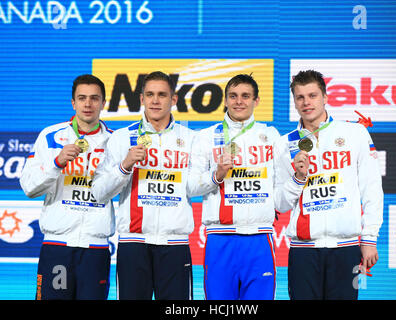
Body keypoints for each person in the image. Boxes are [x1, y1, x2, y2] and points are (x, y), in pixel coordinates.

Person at [274, 69, 384, 300]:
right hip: (304, 251)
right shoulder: (286, 144)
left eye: (313, 95)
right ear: (294, 102)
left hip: (346, 248)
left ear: (325, 97)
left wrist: (369, 238)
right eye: (300, 97)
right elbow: (281, 205)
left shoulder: (354, 133)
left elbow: (372, 188)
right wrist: (298, 178)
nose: (306, 102)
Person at [92, 71, 195, 300]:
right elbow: (99, 193)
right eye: (150, 94)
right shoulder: (121, 138)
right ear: (141, 99)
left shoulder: (191, 139)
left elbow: (197, 187)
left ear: (174, 99)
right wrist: (125, 165)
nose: (155, 100)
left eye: (162, 94)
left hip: (175, 243)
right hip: (133, 243)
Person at [19, 74, 115, 300]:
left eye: (94, 98)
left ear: (103, 103)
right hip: (57, 246)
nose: (88, 104)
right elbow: (29, 188)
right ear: (73, 103)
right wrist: (57, 163)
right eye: (82, 98)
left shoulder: (115, 141)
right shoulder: (51, 136)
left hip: (96, 247)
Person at [188, 74, 280, 300]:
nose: (239, 101)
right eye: (233, 96)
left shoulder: (271, 136)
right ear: (226, 100)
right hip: (220, 239)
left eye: (245, 96)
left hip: (260, 238)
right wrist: (217, 175)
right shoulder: (205, 137)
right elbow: (191, 187)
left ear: (256, 101)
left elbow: (281, 186)